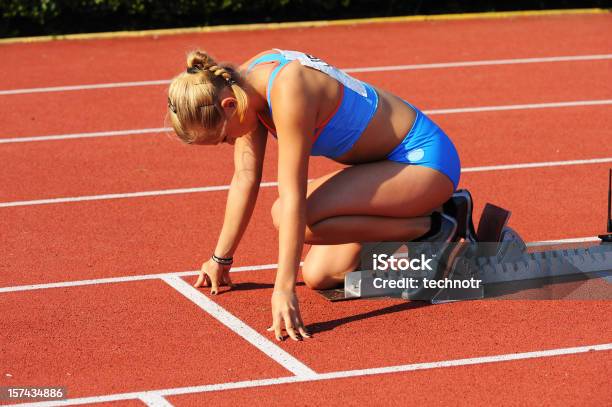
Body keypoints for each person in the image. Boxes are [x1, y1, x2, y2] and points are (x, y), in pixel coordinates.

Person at [167, 49, 461, 342]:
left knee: (286, 214)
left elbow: (293, 196)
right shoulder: (239, 87)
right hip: (381, 168)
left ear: (229, 105)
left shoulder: (287, 88)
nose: (231, 143)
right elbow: (245, 176)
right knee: (320, 275)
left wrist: (283, 289)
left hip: (422, 163)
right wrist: (221, 259)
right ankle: (431, 224)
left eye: (224, 138)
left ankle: (435, 226)